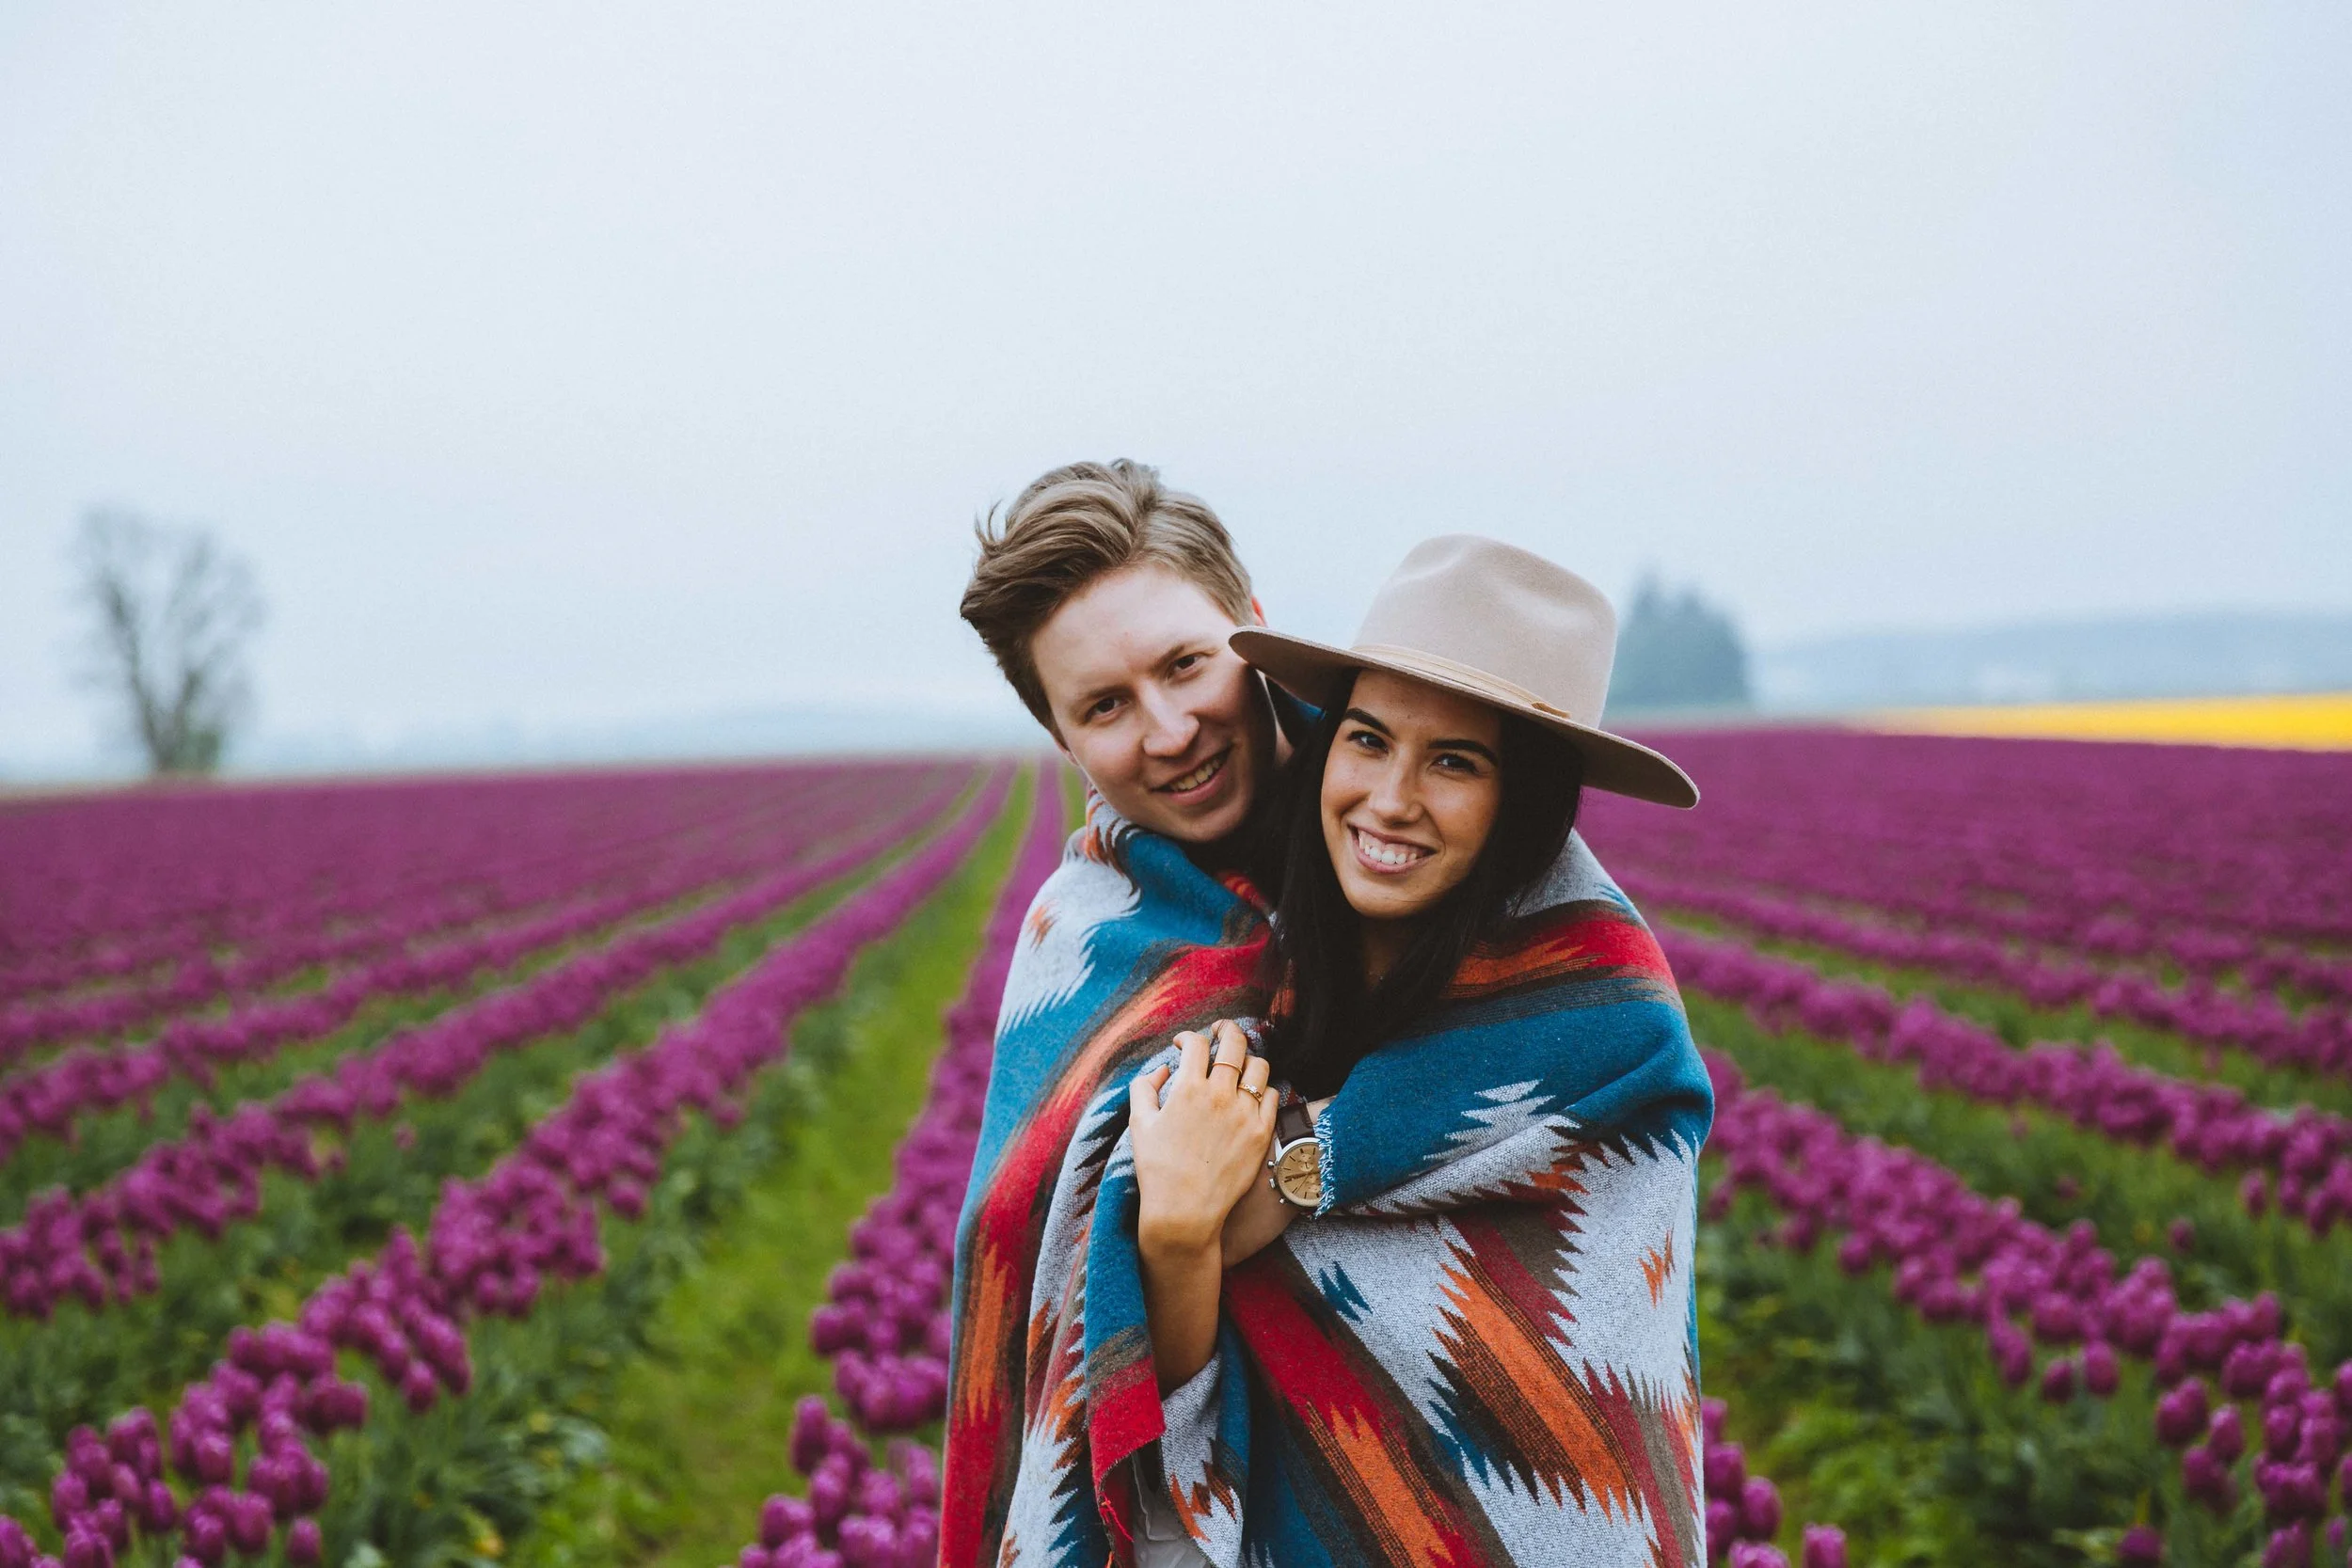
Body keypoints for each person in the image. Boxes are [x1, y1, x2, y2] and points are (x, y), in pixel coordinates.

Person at [946, 472, 1708, 1566]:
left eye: (1183, 665)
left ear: (1248, 631)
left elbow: (1590, 1369)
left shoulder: (1572, 984)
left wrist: (1292, 1163)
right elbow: (1080, 1311)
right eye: (1104, 705)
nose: (1167, 731)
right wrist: (1168, 1231)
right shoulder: (1092, 948)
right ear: (1060, 736)